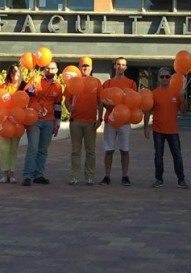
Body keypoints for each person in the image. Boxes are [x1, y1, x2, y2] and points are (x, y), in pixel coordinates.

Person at [143, 67, 188, 189]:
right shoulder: (154, 93)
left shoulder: (176, 93)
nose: (164, 79)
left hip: (173, 130)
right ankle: (159, 179)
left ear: (170, 78)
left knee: (177, 155)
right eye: (162, 76)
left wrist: (183, 98)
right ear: (158, 78)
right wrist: (146, 127)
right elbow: (147, 110)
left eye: (167, 76)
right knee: (158, 156)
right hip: (158, 130)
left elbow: (184, 111)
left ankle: (181, 179)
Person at [22, 60, 63, 186]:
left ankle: (39, 175)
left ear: (57, 70)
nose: (50, 70)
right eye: (47, 68)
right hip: (34, 119)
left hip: (49, 121)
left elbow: (57, 105)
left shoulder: (58, 86)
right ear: (44, 69)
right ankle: (27, 176)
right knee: (33, 148)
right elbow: (24, 95)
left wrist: (57, 123)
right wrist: (31, 88)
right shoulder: (35, 79)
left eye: (53, 68)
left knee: (43, 149)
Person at [64, 57, 103, 185]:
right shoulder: (73, 82)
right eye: (83, 65)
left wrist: (100, 119)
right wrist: (70, 108)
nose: (85, 68)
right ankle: (74, 176)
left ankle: (89, 176)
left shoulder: (96, 82)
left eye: (87, 66)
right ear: (79, 66)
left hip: (91, 122)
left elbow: (100, 102)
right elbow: (67, 100)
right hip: (76, 121)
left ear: (91, 68)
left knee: (90, 151)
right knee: (75, 151)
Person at [99, 57, 137, 186]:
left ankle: (125, 176)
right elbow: (102, 102)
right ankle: (107, 176)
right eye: (118, 65)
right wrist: (108, 107)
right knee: (109, 150)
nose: (120, 67)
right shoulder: (107, 84)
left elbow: (134, 101)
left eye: (123, 65)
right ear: (114, 66)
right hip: (110, 121)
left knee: (124, 150)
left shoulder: (131, 83)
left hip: (125, 122)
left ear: (126, 67)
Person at [0, 64, 26, 183]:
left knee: (14, 149)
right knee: (4, 149)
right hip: (4, 122)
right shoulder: (3, 87)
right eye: (12, 72)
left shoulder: (24, 87)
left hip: (18, 123)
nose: (14, 74)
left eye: (16, 71)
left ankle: (12, 173)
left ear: (20, 73)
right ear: (9, 74)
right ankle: (5, 173)